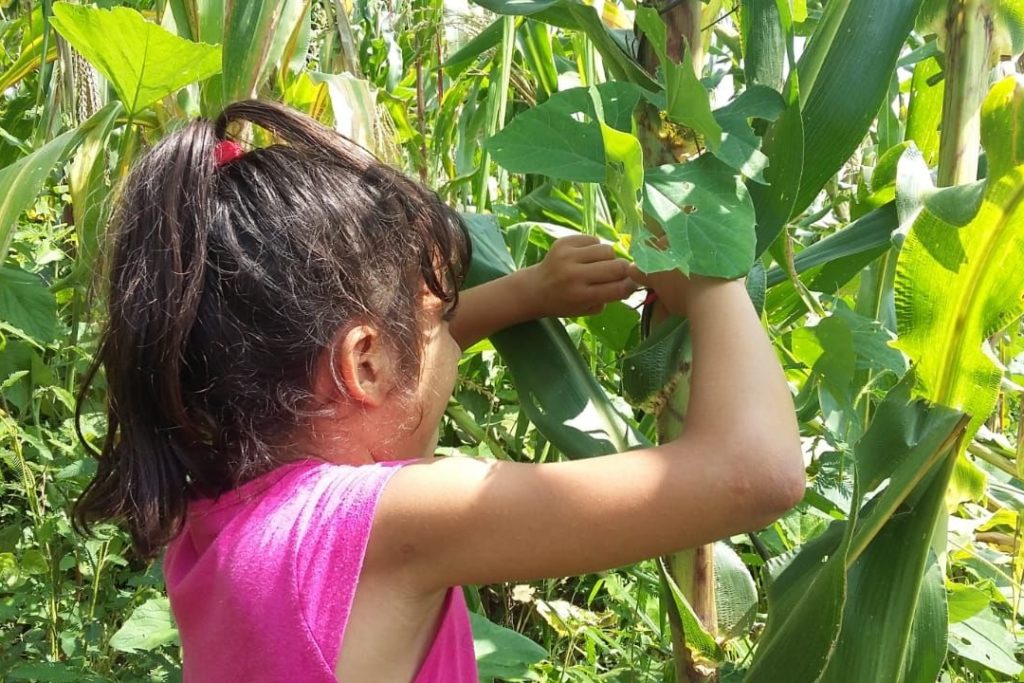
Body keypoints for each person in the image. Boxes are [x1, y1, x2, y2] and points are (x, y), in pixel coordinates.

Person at [74, 100, 804, 682]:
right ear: (361, 365)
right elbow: (756, 471)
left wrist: (525, 294)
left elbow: (392, 376)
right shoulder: (376, 527)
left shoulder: (207, 506)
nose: (454, 336)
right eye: (442, 322)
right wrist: (710, 269)